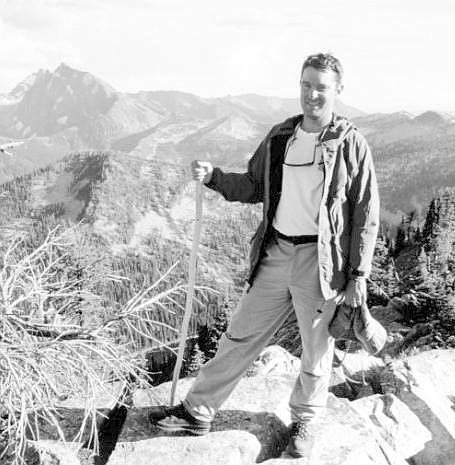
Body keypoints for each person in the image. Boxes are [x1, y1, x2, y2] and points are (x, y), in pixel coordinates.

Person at [150, 52, 379, 458]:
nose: (312, 94)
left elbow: (366, 214)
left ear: (337, 91)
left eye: (321, 87)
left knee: (316, 346)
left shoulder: (352, 145)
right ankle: (198, 410)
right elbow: (254, 185)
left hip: (321, 262)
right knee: (240, 333)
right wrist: (215, 177)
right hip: (276, 251)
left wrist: (358, 275)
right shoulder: (280, 138)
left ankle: (306, 420)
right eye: (306, 85)